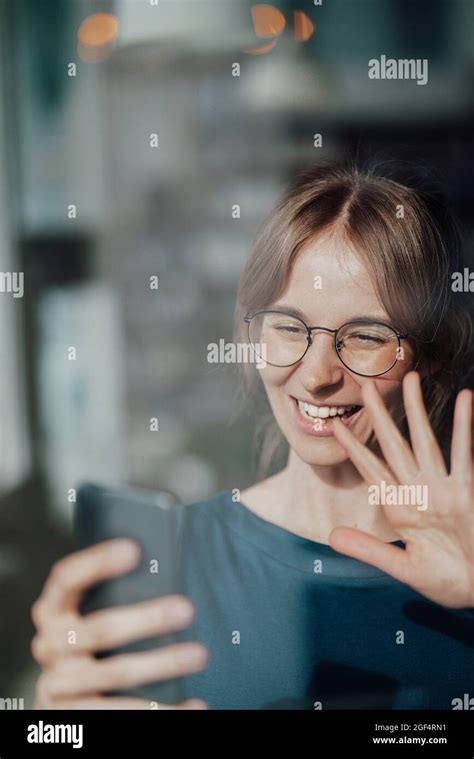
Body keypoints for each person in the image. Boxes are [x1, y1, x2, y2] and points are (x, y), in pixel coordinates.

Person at [31, 163, 474, 710]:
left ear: (432, 353)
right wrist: (55, 725)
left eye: (364, 336)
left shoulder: (468, 565)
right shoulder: (168, 562)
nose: (317, 376)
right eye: (288, 327)